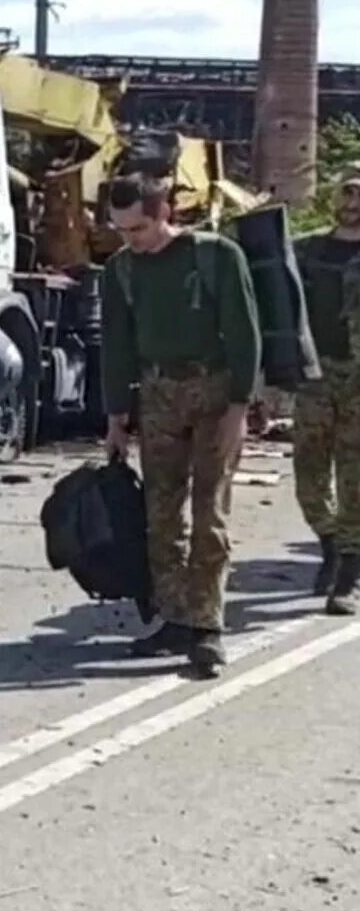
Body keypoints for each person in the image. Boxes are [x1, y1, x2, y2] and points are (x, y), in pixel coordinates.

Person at [101, 173, 261, 678]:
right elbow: (117, 343)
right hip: (157, 394)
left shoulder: (214, 257)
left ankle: (207, 627)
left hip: (213, 389)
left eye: (140, 228)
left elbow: (243, 331)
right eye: (122, 230)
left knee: (209, 512)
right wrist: (115, 417)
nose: (133, 240)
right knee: (162, 513)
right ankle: (173, 615)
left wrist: (239, 409)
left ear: (165, 211)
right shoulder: (121, 270)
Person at [292, 171, 360, 616]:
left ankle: (348, 577)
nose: (353, 201)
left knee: (355, 477)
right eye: (347, 191)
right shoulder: (306, 250)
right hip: (315, 376)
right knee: (309, 475)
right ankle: (331, 544)